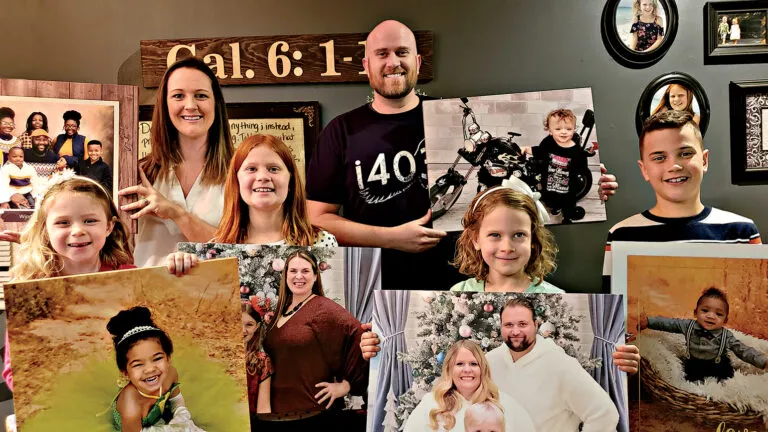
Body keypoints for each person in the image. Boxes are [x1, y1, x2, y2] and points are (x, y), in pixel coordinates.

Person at [307, 20, 618, 290]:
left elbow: (512, 200)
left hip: (467, 283)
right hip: (375, 286)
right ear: (366, 65)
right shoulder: (340, 131)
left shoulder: (450, 114)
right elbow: (316, 219)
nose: (393, 62)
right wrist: (391, 238)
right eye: (382, 54)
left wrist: (585, 181)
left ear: (417, 61)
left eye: (401, 53)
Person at [602, 111, 761, 291]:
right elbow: (612, 314)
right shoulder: (621, 235)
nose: (674, 166)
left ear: (704, 160)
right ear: (644, 169)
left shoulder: (742, 231)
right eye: (659, 158)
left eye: (685, 153)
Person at [118, 57, 234, 267]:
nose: (190, 106)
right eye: (178, 96)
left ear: (215, 103)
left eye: (200, 95)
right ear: (165, 104)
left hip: (214, 296)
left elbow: (244, 253)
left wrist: (175, 212)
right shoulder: (138, 172)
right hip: (147, 295)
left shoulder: (239, 174)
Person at [257, 250, 367, 428]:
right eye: (293, 271)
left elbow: (359, 335)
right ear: (286, 275)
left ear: (315, 276)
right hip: (277, 409)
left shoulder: (323, 308)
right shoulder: (281, 309)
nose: (298, 276)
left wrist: (347, 386)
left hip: (312, 410)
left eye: (305, 271)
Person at [485, 297, 619, 431]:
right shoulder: (490, 361)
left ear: (535, 325)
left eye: (522, 324)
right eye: (508, 325)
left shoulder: (561, 365)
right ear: (501, 326)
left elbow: (605, 414)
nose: (515, 331)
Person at [214, 134, 336, 247]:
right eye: (251, 169)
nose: (263, 177)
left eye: (273, 169)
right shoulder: (215, 249)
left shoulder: (323, 242)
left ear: (290, 180)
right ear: (237, 180)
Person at [450, 177, 562, 293]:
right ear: (476, 240)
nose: (507, 248)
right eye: (495, 235)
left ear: (533, 240)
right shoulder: (458, 293)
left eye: (519, 235)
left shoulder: (556, 298)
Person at [638, 287, 768, 382]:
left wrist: (763, 361)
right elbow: (668, 323)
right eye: (705, 310)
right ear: (696, 313)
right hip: (694, 365)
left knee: (724, 386)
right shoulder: (688, 326)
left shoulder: (726, 335)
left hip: (719, 367)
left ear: (725, 320)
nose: (711, 316)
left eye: (718, 314)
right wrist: (648, 321)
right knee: (690, 384)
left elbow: (743, 350)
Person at [403, 340, 535, 432]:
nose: (467, 370)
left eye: (473, 364)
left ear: (482, 369)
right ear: (450, 369)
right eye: (460, 364)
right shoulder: (432, 403)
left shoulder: (503, 403)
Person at [106, 306, 201, 431]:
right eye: (138, 364)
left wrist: (182, 420)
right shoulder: (131, 405)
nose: (150, 369)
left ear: (168, 358)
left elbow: (177, 403)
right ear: (125, 372)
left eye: (157, 359)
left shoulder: (170, 374)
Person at [521, 108, 590, 221]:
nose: (563, 132)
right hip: (549, 184)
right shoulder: (548, 142)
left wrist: (583, 164)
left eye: (568, 129)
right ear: (550, 130)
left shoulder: (575, 149)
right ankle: (555, 207)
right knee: (550, 200)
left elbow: (582, 166)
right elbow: (539, 152)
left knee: (568, 203)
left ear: (574, 130)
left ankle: (567, 217)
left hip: (568, 187)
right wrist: (526, 149)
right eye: (558, 129)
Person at [242, 301, 272, 415]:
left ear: (257, 327)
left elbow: (263, 408)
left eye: (249, 324)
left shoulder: (262, 361)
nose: (243, 330)